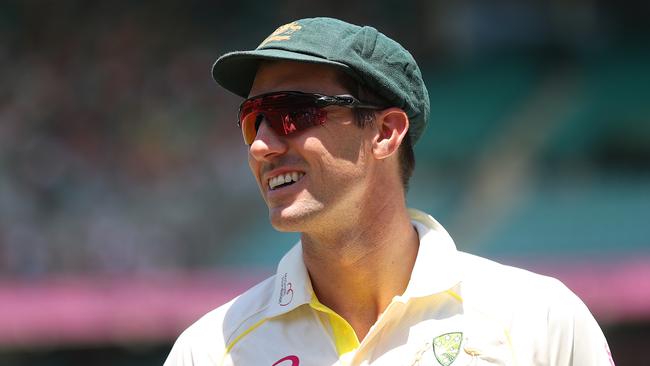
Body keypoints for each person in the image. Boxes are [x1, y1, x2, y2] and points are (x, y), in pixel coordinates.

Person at [165, 17, 614, 366]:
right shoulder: (208, 351)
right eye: (252, 120)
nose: (262, 145)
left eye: (291, 114)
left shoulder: (539, 319)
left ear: (384, 132)